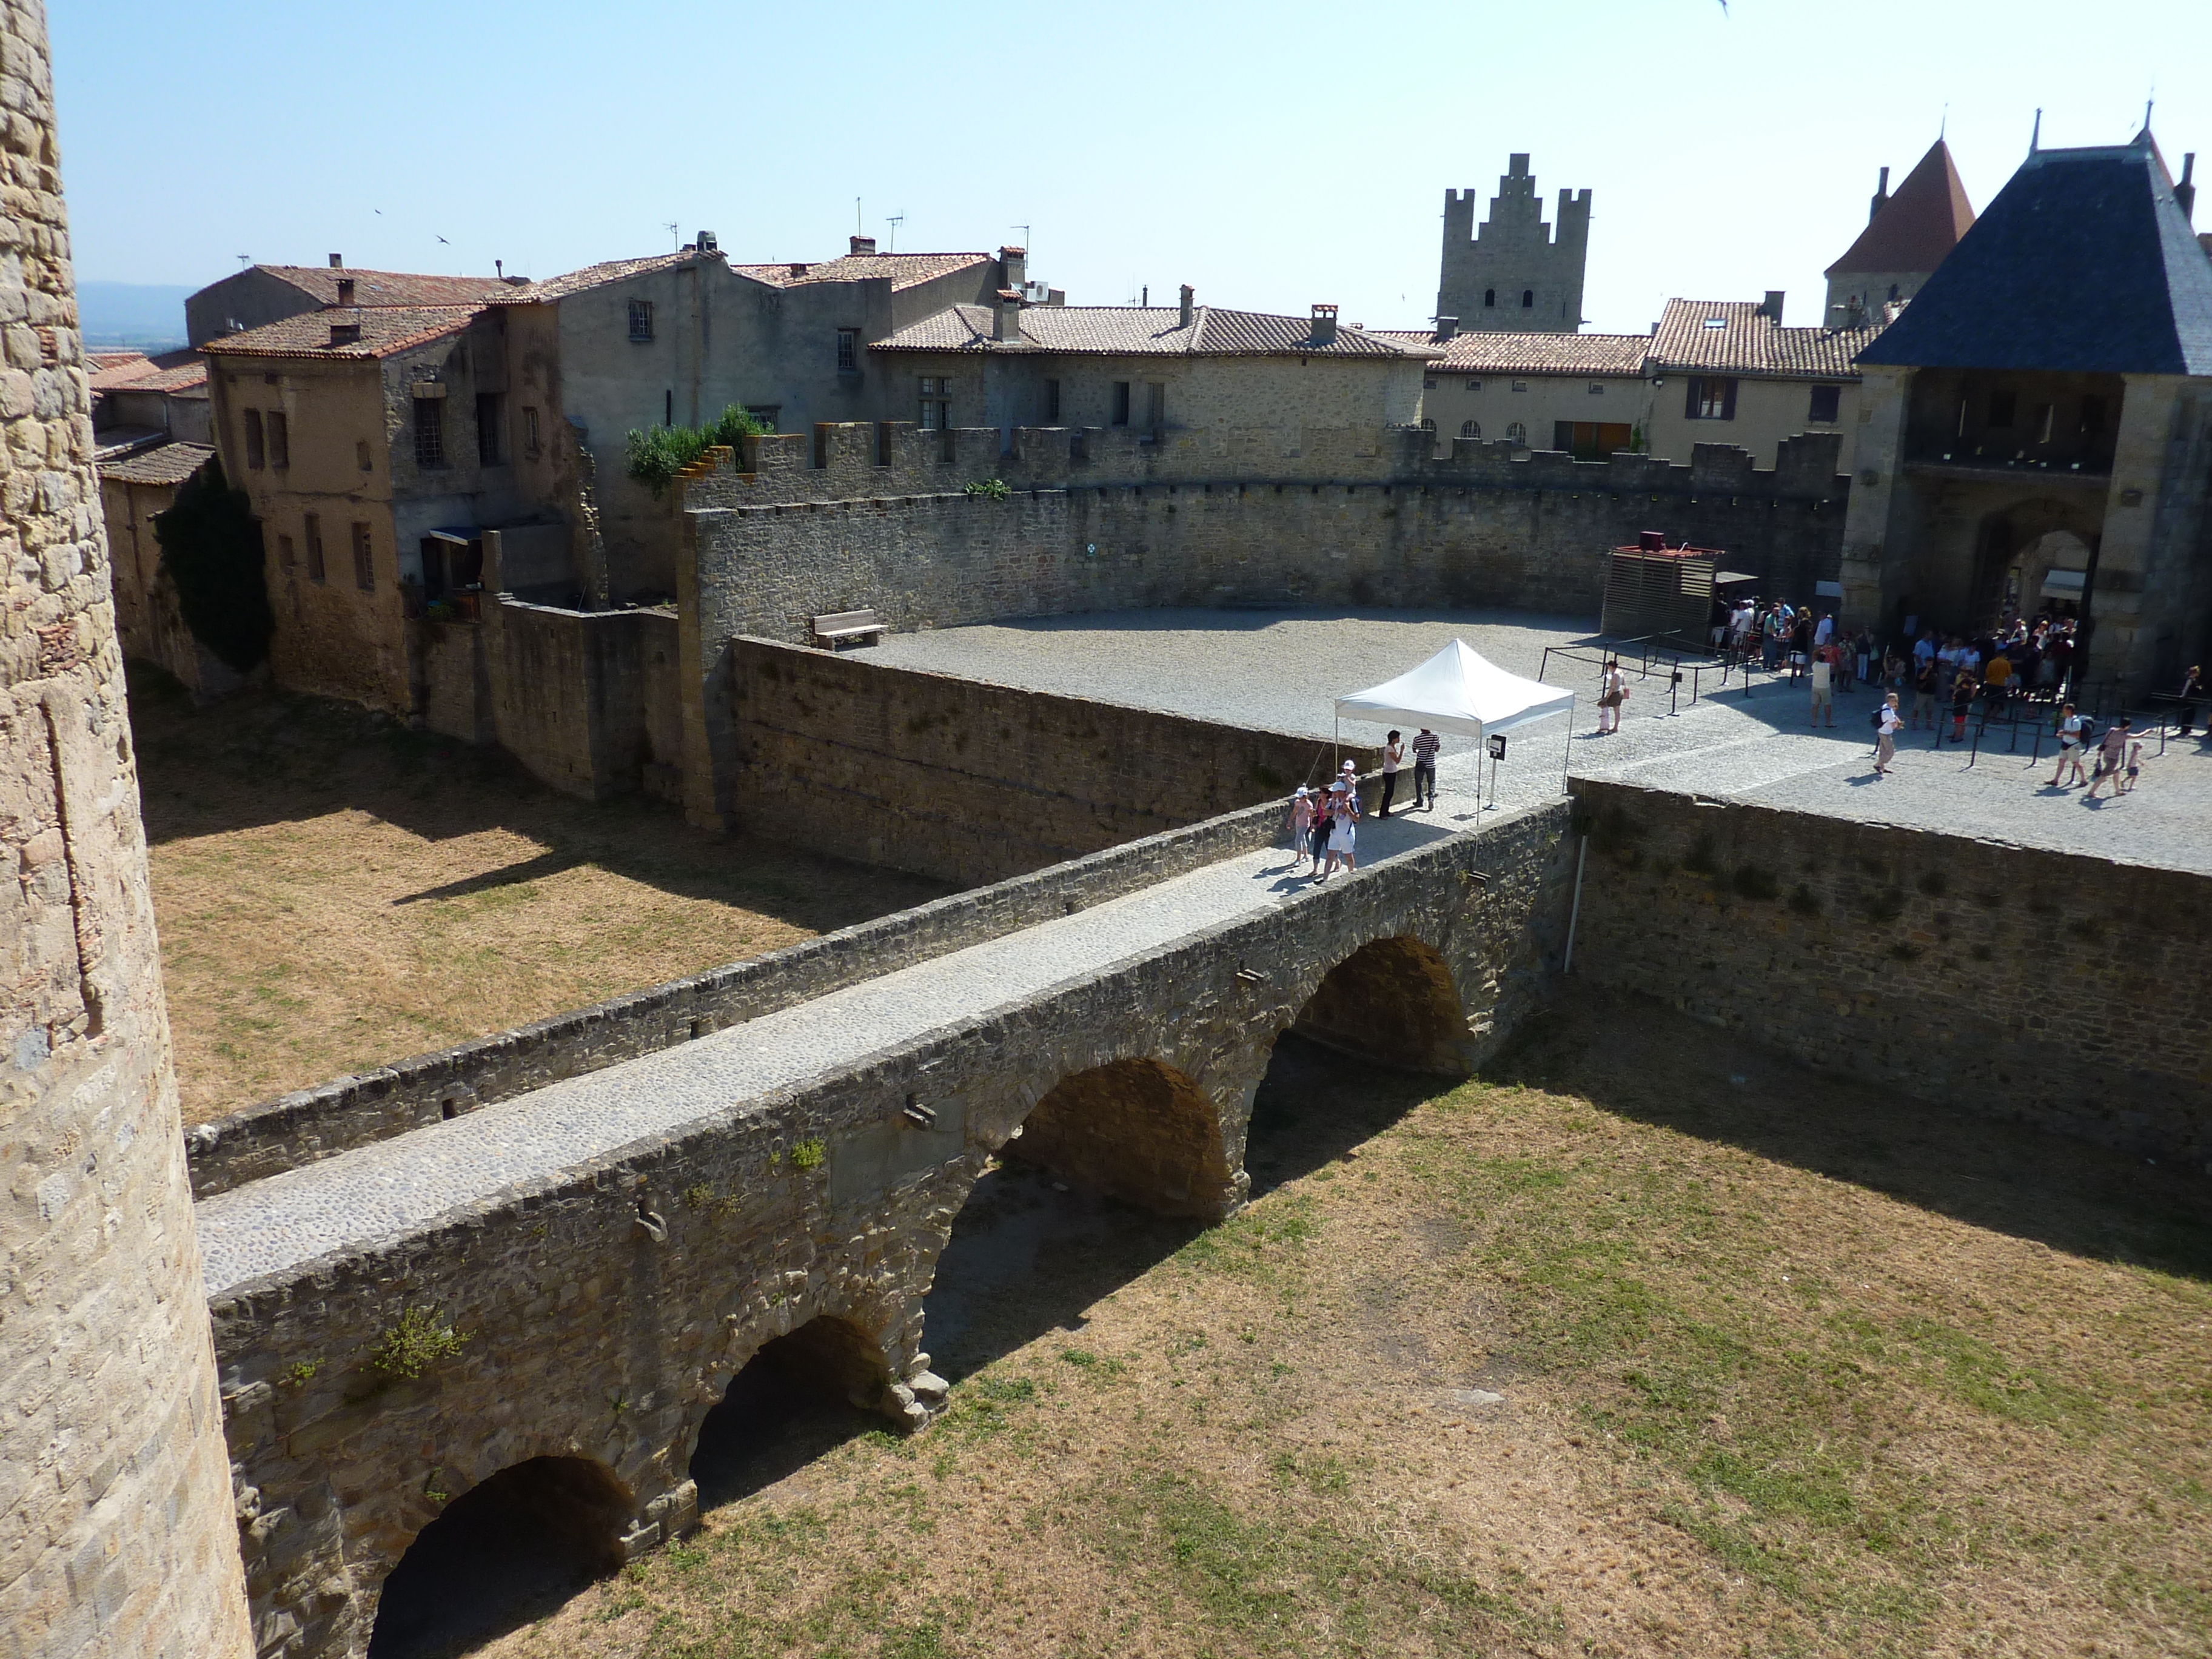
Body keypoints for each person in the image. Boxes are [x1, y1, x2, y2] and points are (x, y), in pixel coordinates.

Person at [1319, 779, 1358, 877]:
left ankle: (1351, 876)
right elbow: (1325, 812)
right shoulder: (1333, 801)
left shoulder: (1351, 801)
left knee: (1348, 856)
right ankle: (1325, 879)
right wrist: (1337, 811)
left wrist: (1348, 809)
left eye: (1335, 791)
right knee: (1330, 857)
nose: (1333, 793)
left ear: (1341, 791)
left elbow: (1357, 819)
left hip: (1347, 833)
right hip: (1335, 832)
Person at [2085, 718, 2130, 799]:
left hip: (2106, 754)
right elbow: (2138, 736)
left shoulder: (2112, 730)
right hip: (2113, 758)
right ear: (2127, 726)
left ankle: (2118, 791)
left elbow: (2105, 740)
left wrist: (2100, 752)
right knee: (2103, 776)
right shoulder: (2124, 735)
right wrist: (2147, 732)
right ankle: (2091, 792)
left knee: (2116, 772)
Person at [2048, 702, 2088, 786]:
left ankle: (2084, 780)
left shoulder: (2076, 721)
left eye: (2065, 709)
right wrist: (2062, 733)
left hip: (2073, 745)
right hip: (2065, 743)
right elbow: (2068, 731)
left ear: (2069, 710)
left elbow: (2077, 735)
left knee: (2076, 763)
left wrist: (2065, 733)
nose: (2063, 711)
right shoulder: (2067, 719)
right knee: (2061, 761)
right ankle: (2056, 780)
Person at [1596, 659, 1629, 735]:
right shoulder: (1620, 672)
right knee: (1617, 711)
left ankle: (1605, 725)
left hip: (1615, 693)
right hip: (1620, 691)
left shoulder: (1615, 675)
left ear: (1611, 666)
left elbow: (1612, 688)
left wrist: (1606, 698)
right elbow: (1623, 682)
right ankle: (1615, 727)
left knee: (1604, 706)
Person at [1411, 726, 1440, 809]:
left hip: (1421, 763)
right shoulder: (1435, 737)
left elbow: (1414, 750)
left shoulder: (1417, 738)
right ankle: (1431, 799)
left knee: (1419, 782)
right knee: (1432, 781)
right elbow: (1437, 749)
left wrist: (1420, 751)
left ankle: (1420, 801)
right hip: (1431, 763)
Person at [1874, 691, 1903, 775]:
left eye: (1896, 701)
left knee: (1883, 750)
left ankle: (1882, 767)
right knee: (1890, 751)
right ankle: (1878, 764)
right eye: (1893, 701)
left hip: (1883, 731)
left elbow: (1894, 717)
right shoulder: (1888, 712)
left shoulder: (1887, 707)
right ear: (1889, 701)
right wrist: (1898, 725)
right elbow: (1893, 725)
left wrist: (1897, 721)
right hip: (1885, 733)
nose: (1895, 703)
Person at [1287, 786, 1315, 870]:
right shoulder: (1297, 802)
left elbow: (1312, 816)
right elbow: (1295, 812)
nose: (1299, 799)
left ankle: (1298, 859)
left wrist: (1312, 827)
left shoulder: (1309, 804)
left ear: (1305, 796)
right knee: (1302, 839)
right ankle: (1306, 856)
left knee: (1298, 839)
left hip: (1305, 824)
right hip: (1298, 823)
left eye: (1301, 797)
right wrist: (1290, 821)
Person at [1378, 730, 1404, 817]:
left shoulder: (1391, 747)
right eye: (1397, 738)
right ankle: (1383, 813)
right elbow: (1397, 761)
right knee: (1388, 793)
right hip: (1389, 772)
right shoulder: (1390, 748)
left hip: (1392, 771)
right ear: (1393, 739)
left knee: (1390, 793)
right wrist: (1402, 751)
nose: (1399, 739)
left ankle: (1386, 811)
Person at [1808, 645, 1836, 726]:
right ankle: (1828, 722)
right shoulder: (1827, 666)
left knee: (1815, 705)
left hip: (1815, 686)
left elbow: (1813, 654)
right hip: (1825, 687)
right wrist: (1830, 654)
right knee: (1827, 705)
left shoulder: (1815, 664)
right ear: (1825, 658)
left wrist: (1821, 648)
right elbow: (1834, 663)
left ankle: (1814, 722)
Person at [1948, 665, 1977, 742]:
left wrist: (1969, 699)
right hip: (1960, 704)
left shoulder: (1971, 684)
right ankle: (1957, 734)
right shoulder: (1963, 682)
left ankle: (1959, 736)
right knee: (1959, 721)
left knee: (1960, 721)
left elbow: (1972, 693)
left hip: (1962, 704)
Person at [1911, 655, 1940, 729]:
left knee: (1930, 710)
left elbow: (1936, 679)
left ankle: (1929, 724)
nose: (1930, 664)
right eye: (1928, 662)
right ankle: (1914, 723)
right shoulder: (1921, 670)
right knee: (1917, 708)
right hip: (1922, 692)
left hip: (1931, 693)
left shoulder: (1935, 671)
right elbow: (1921, 678)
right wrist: (1927, 670)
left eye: (1931, 662)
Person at [2176, 665, 2203, 738]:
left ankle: (2188, 728)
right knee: (2187, 714)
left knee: (2191, 714)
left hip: (2192, 699)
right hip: (2189, 700)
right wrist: (2183, 696)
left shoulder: (2194, 680)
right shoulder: (2190, 680)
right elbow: (2186, 689)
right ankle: (2185, 729)